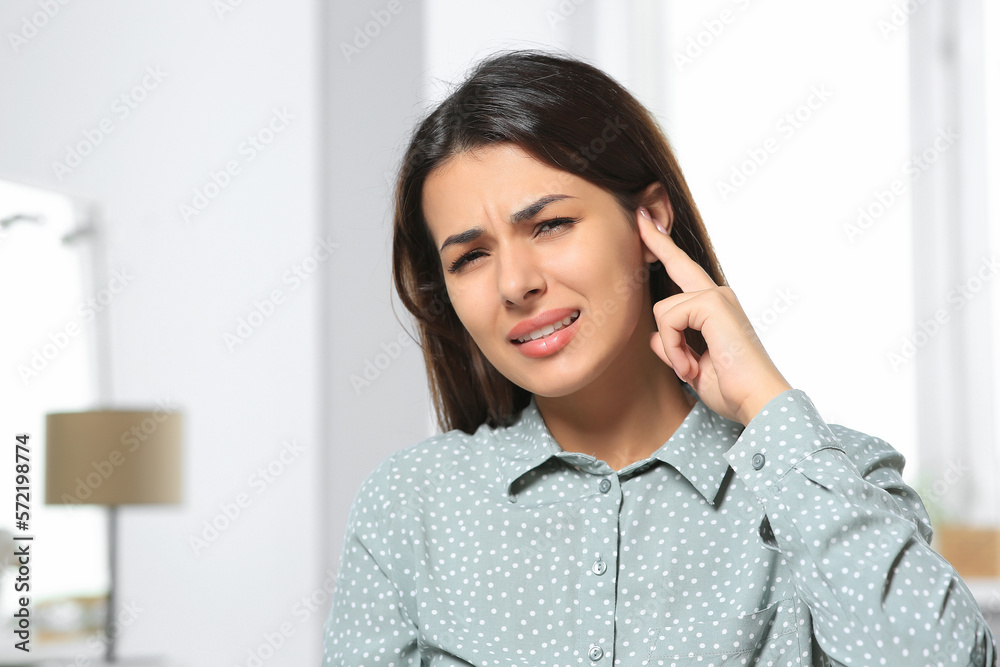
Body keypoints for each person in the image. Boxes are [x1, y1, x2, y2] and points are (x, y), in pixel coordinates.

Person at [321, 49, 997, 666]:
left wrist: (766, 401)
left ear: (651, 223)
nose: (514, 283)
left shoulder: (826, 478)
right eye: (471, 256)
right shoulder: (409, 506)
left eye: (550, 224)